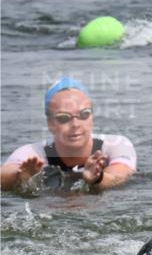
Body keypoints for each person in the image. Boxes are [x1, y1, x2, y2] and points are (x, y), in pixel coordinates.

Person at [1, 77, 136, 192]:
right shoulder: (35, 154)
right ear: (50, 123)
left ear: (92, 118)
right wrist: (20, 178)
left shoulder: (115, 145)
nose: (75, 124)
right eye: (64, 117)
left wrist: (98, 178)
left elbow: (121, 173)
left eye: (84, 115)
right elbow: (3, 174)